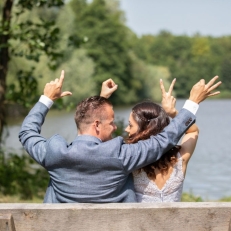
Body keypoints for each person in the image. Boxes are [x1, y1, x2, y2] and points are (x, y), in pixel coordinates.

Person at [19, 70, 221, 203]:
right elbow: (163, 140)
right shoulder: (121, 155)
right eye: (112, 122)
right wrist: (192, 102)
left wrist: (46, 99)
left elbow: (27, 132)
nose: (116, 127)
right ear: (97, 124)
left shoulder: (54, 153)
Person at [125, 79, 199, 202]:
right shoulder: (179, 160)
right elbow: (193, 131)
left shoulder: (130, 161)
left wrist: (103, 97)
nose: (127, 129)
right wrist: (173, 113)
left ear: (145, 130)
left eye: (130, 125)